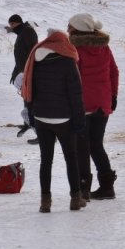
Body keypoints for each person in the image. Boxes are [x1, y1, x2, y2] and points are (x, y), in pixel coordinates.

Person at [21, 30, 86, 212]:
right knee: (71, 158)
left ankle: (45, 202)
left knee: (46, 161)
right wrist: (80, 120)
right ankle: (75, 198)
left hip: (42, 117)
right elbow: (76, 94)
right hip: (64, 118)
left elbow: (30, 90)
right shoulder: (67, 61)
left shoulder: (36, 60)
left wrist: (32, 114)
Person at [68, 13, 120, 201]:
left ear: (76, 28)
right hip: (102, 104)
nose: (67, 29)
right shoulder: (104, 47)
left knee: (81, 147)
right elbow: (113, 72)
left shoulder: (74, 48)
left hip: (83, 105)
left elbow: (72, 78)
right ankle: (107, 187)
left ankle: (83, 188)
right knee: (96, 145)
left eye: (70, 26)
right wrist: (113, 96)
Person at [7, 14, 39, 144]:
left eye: (12, 25)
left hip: (28, 71)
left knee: (30, 100)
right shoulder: (23, 32)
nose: (11, 28)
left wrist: (28, 70)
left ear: (18, 22)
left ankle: (38, 130)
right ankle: (27, 123)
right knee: (26, 98)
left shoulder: (28, 32)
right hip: (23, 70)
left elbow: (33, 52)